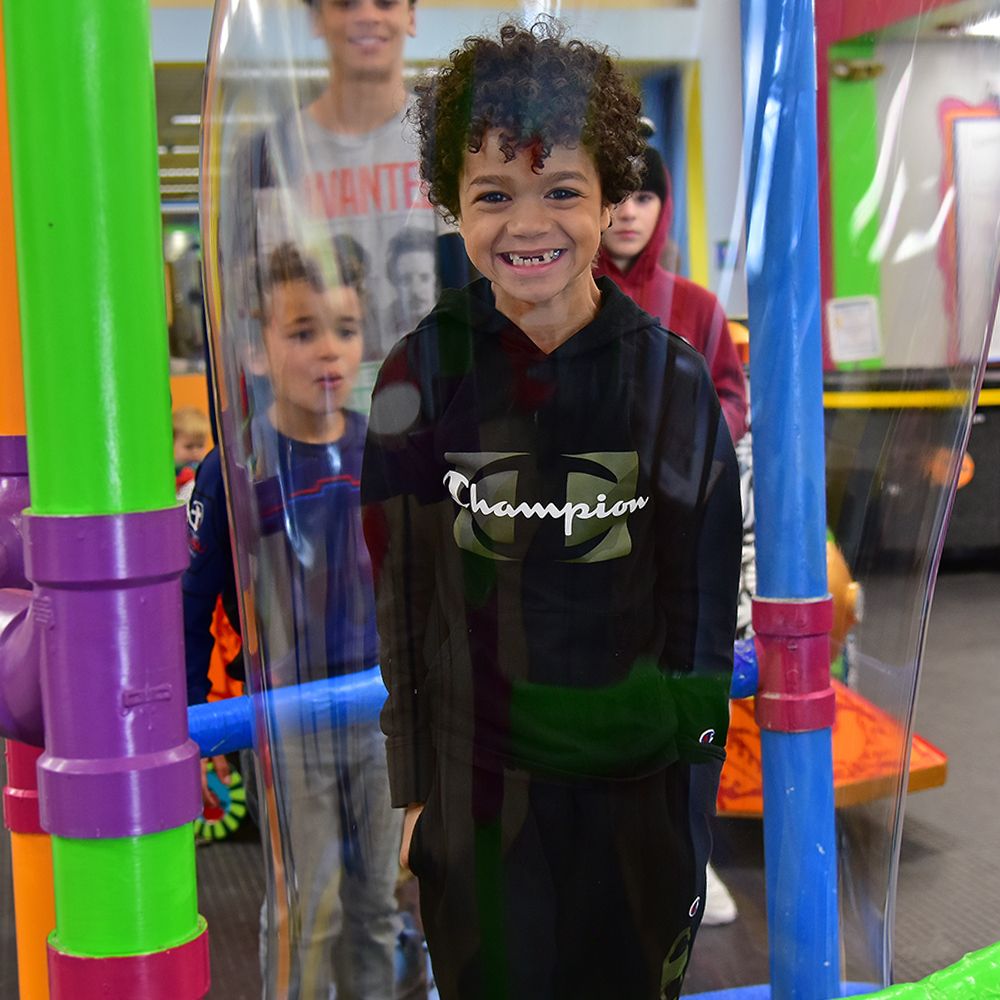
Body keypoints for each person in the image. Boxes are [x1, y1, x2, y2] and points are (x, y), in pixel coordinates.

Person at [361, 20, 743, 1000]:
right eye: (494, 194)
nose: (528, 224)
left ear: (611, 200)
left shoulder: (670, 382)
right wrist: (412, 794)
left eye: (561, 191)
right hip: (478, 804)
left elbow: (700, 624)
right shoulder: (421, 372)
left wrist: (689, 810)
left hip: (635, 806)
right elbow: (401, 599)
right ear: (452, 205)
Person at [184, 238, 401, 1000]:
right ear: (257, 346)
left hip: (378, 717)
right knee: (309, 907)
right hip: (283, 725)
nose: (328, 351)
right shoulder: (236, 467)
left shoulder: (382, 446)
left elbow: (419, 582)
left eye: (343, 328)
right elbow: (193, 594)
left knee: (377, 902)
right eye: (302, 331)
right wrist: (183, 721)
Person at [247, 0, 469, 369]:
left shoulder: (448, 139)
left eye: (385, 3)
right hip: (322, 403)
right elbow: (261, 300)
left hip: (436, 392)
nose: (367, 16)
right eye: (346, 4)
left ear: (411, 17)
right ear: (316, 19)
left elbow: (474, 283)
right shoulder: (273, 154)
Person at [595, 144, 748, 445]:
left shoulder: (699, 305)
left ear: (664, 207)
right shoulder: (560, 299)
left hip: (677, 484)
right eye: (617, 198)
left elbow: (732, 401)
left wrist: (695, 441)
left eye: (643, 198)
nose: (628, 213)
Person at [386, 226, 440, 337]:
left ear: (436, 279)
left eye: (424, 278)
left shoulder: (454, 322)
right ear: (394, 281)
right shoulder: (383, 328)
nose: (416, 290)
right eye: (406, 280)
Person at [172, 405, 210, 493]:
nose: (195, 452)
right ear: (173, 443)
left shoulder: (204, 469)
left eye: (200, 446)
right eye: (189, 446)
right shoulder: (171, 470)